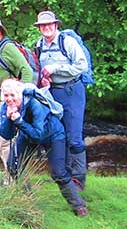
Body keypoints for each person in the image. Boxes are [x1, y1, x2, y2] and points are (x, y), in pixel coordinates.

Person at [0, 78, 88, 216]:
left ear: (19, 94)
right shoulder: (6, 106)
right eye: (6, 95)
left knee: (58, 173)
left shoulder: (34, 103)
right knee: (13, 165)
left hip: (53, 134)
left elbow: (38, 135)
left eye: (12, 95)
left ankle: (78, 205)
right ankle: (28, 199)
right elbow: (6, 135)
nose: (9, 99)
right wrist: (10, 119)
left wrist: (19, 121)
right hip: (27, 133)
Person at [34, 10, 88, 191]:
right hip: (52, 93)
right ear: (39, 28)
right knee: (58, 135)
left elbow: (82, 66)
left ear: (56, 25)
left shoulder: (68, 42)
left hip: (72, 91)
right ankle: (64, 176)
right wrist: (44, 80)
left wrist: (55, 68)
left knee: (74, 137)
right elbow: (41, 70)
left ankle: (78, 179)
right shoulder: (39, 45)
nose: (46, 27)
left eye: (49, 24)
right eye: (42, 25)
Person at [0, 15, 34, 182]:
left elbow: (27, 70)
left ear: (0, 30)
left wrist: (19, 96)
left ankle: (13, 177)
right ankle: (10, 173)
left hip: (6, 101)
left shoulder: (8, 47)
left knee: (6, 140)